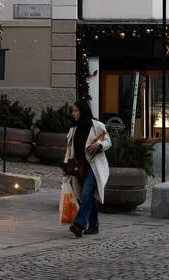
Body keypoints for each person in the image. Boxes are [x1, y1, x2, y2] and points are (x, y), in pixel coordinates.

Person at [63, 100, 111, 238]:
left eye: (75, 110)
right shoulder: (74, 129)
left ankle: (79, 224)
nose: (73, 113)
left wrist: (99, 145)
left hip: (94, 167)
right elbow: (69, 150)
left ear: (82, 111)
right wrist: (66, 166)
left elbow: (108, 141)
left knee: (86, 193)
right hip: (79, 167)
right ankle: (94, 225)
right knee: (89, 196)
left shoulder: (97, 126)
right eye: (72, 111)